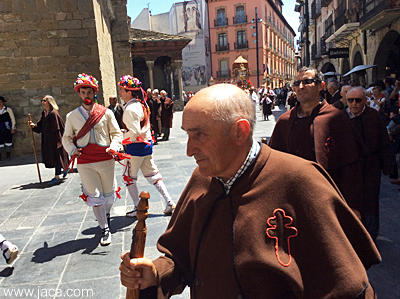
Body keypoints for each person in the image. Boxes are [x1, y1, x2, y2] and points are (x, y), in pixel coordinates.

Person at [119, 84, 381, 298]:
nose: (188, 150)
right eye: (187, 134)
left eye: (199, 135)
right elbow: (178, 256)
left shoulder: (300, 180)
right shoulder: (201, 179)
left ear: (240, 132)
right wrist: (156, 272)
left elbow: (349, 287)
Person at [269, 67, 367, 218]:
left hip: (328, 201)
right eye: (297, 83)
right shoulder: (284, 121)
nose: (301, 87)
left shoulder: (336, 119)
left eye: (307, 82)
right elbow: (273, 167)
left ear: (321, 85)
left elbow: (351, 166)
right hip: (293, 203)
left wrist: (353, 206)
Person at [62, 73, 123, 246]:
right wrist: (73, 150)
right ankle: (104, 228)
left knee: (109, 197)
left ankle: (106, 215)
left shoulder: (106, 113)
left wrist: (114, 146)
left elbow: (117, 134)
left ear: (94, 93)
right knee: (96, 197)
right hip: (85, 161)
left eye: (89, 92)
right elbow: (66, 138)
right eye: (83, 92)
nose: (86, 95)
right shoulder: (72, 116)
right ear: (79, 94)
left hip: (106, 158)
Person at [117, 75, 175, 217]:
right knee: (153, 175)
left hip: (135, 148)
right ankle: (169, 201)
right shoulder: (141, 104)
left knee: (129, 178)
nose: (120, 93)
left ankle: (138, 207)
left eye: (122, 90)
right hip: (146, 146)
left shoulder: (130, 109)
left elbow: (135, 132)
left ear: (129, 92)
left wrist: (121, 137)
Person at [344, 86, 392, 240]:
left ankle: (370, 237)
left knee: (370, 201)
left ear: (365, 100)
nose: (354, 104)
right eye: (350, 100)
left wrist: (388, 165)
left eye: (358, 100)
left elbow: (383, 141)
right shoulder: (340, 118)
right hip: (350, 168)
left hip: (371, 167)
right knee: (351, 200)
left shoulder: (373, 116)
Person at [29, 95, 69, 184]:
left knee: (56, 157)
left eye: (44, 100)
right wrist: (33, 126)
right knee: (52, 156)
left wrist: (59, 141)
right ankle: (66, 168)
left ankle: (57, 176)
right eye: (42, 100)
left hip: (55, 139)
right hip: (47, 139)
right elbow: (40, 127)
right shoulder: (44, 113)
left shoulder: (54, 113)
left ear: (49, 102)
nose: (42, 102)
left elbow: (58, 128)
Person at [0, 96, 16, 160]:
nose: (0, 103)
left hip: (7, 128)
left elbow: (12, 119)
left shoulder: (8, 110)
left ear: (3, 102)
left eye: (1, 102)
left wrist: (13, 128)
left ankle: (8, 155)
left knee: (8, 142)